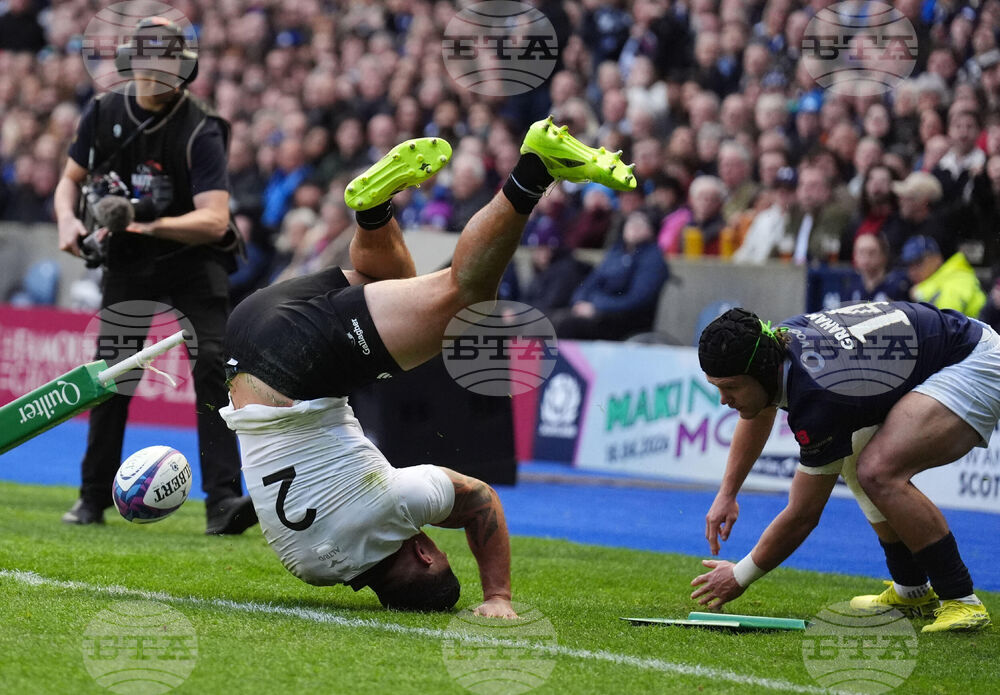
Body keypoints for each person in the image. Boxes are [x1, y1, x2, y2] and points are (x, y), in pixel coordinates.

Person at [218, 120, 635, 614]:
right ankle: (372, 213)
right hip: (246, 337)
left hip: (293, 361)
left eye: (435, 546)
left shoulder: (392, 507)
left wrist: (498, 596)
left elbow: (481, 502)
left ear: (424, 554)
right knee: (394, 282)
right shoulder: (311, 570)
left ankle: (537, 168)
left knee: (466, 304)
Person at [52, 17, 255, 534]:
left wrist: (146, 224)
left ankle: (223, 501)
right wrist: (68, 221)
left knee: (213, 365)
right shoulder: (103, 112)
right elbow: (69, 180)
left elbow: (214, 220)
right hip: (128, 263)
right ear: (134, 63)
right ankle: (91, 498)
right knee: (111, 375)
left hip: (194, 260)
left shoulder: (202, 128)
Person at [691, 302, 994, 632]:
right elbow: (760, 409)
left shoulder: (819, 394)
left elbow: (803, 515)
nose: (724, 400)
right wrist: (727, 493)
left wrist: (739, 576)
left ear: (759, 373)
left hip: (972, 361)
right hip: (946, 345)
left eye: (730, 387)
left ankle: (962, 600)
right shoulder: (775, 344)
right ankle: (912, 591)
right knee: (857, 451)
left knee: (878, 471)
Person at [552, 210, 669, 340]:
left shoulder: (653, 259)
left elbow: (637, 300)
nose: (633, 226)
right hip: (599, 312)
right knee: (552, 319)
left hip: (625, 319)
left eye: (640, 223)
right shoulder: (616, 251)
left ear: (651, 230)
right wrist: (579, 301)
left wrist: (597, 307)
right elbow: (591, 281)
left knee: (566, 325)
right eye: (631, 221)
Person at [903, 236, 986, 317]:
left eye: (918, 262)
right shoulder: (930, 285)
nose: (912, 272)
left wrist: (920, 294)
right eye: (908, 265)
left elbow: (949, 320)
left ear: (936, 259)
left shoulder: (958, 277)